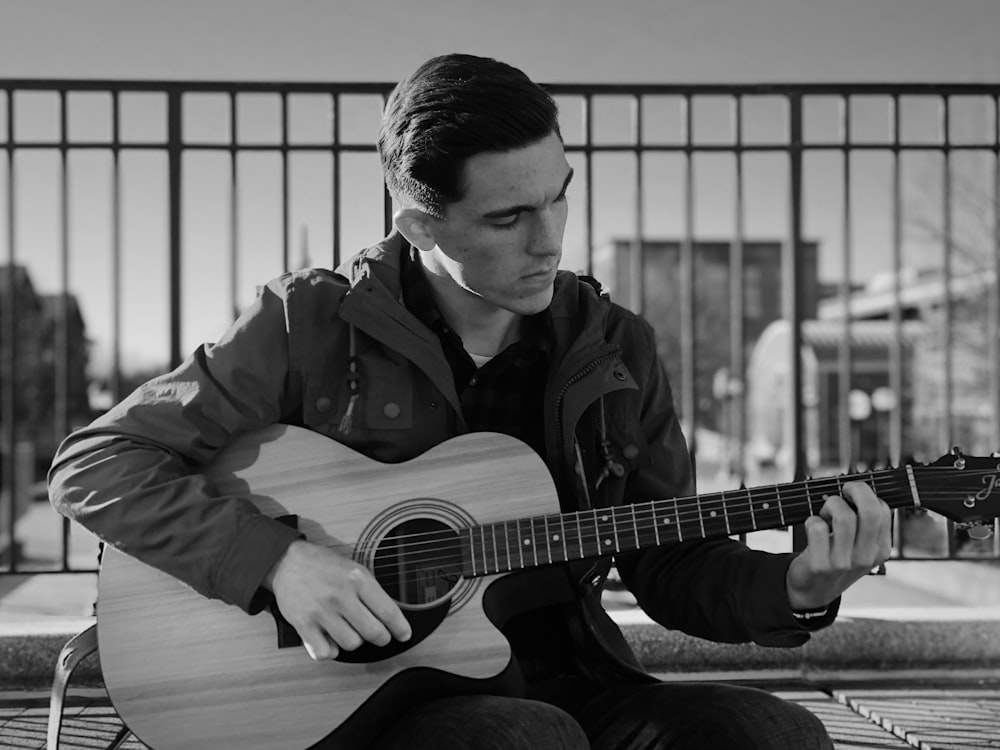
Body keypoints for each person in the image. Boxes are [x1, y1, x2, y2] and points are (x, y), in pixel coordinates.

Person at [48, 53, 892, 750]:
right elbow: (94, 464)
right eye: (508, 218)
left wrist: (800, 585)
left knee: (769, 733)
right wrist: (275, 562)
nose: (550, 238)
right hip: (362, 701)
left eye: (561, 193)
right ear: (421, 226)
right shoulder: (308, 320)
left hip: (572, 679)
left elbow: (668, 560)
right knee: (523, 740)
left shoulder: (615, 346)